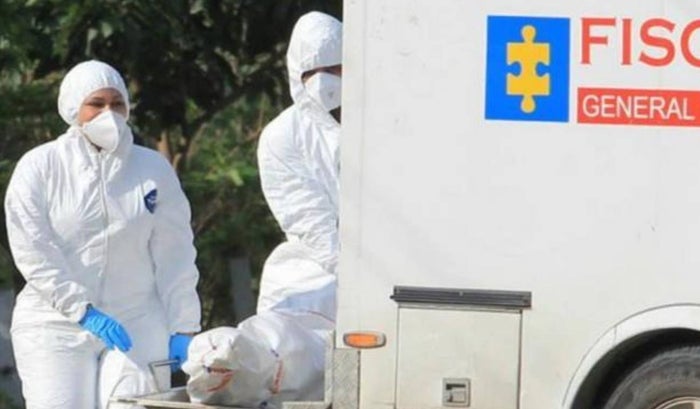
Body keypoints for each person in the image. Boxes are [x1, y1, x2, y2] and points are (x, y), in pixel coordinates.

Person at [4, 60, 201, 409]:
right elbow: (34, 250)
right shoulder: (40, 167)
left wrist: (184, 324)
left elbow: (176, 252)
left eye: (117, 103)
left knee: (133, 404)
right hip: (55, 324)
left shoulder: (151, 168)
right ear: (72, 108)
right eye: (96, 103)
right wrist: (82, 311)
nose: (108, 113)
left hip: (136, 319)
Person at [256, 11, 342, 318]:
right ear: (296, 74)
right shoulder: (282, 136)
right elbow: (307, 218)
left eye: (333, 68)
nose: (323, 81)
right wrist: (358, 277)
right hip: (311, 276)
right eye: (312, 71)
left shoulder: (386, 121)